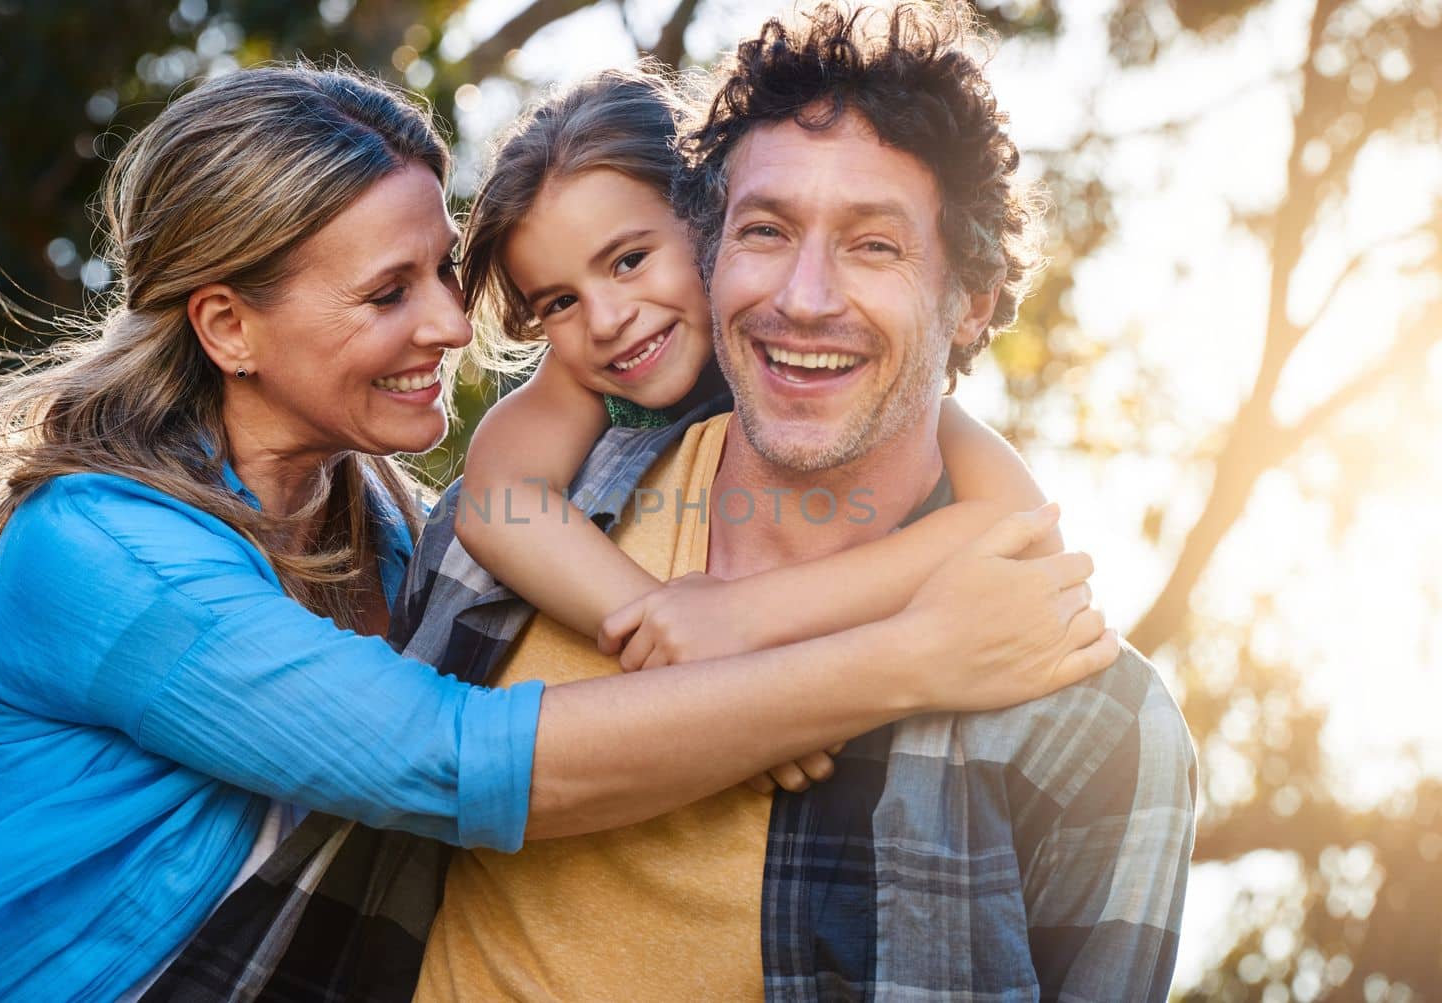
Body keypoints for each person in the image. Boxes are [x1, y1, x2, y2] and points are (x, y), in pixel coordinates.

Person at [0, 60, 1117, 1001]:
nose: (457, 329)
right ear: (228, 328)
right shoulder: (104, 552)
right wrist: (890, 663)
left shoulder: (395, 536)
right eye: (389, 291)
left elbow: (996, 501)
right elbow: (449, 761)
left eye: (445, 274)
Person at [402, 4, 1198, 1000]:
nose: (806, 297)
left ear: (975, 298)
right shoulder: (519, 525)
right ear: (714, 244)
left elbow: (1017, 532)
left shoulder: (1091, 726)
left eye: (873, 246)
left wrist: (740, 620)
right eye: (767, 230)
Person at [455, 65, 1081, 793]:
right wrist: (705, 665)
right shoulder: (587, 375)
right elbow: (495, 503)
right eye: (558, 301)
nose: (605, 317)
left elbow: (1024, 528)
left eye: (630, 260)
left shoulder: (845, 368)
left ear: (709, 226)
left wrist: (748, 617)